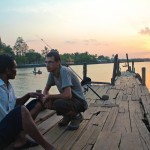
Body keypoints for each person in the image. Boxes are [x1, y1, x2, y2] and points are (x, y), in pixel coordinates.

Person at [0, 54, 55, 150]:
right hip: (2, 132)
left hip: (10, 126)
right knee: (22, 110)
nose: (16, 71)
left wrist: (28, 95)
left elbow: (14, 104)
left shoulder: (8, 85)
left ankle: (20, 138)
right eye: (15, 68)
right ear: (7, 70)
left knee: (37, 102)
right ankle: (48, 147)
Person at [42, 51, 88, 130]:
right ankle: (67, 116)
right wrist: (47, 99)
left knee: (58, 103)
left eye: (50, 62)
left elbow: (67, 95)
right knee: (44, 101)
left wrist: (49, 96)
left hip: (79, 102)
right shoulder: (52, 73)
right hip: (69, 101)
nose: (47, 65)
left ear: (58, 62)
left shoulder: (64, 71)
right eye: (46, 62)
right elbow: (46, 90)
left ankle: (76, 116)